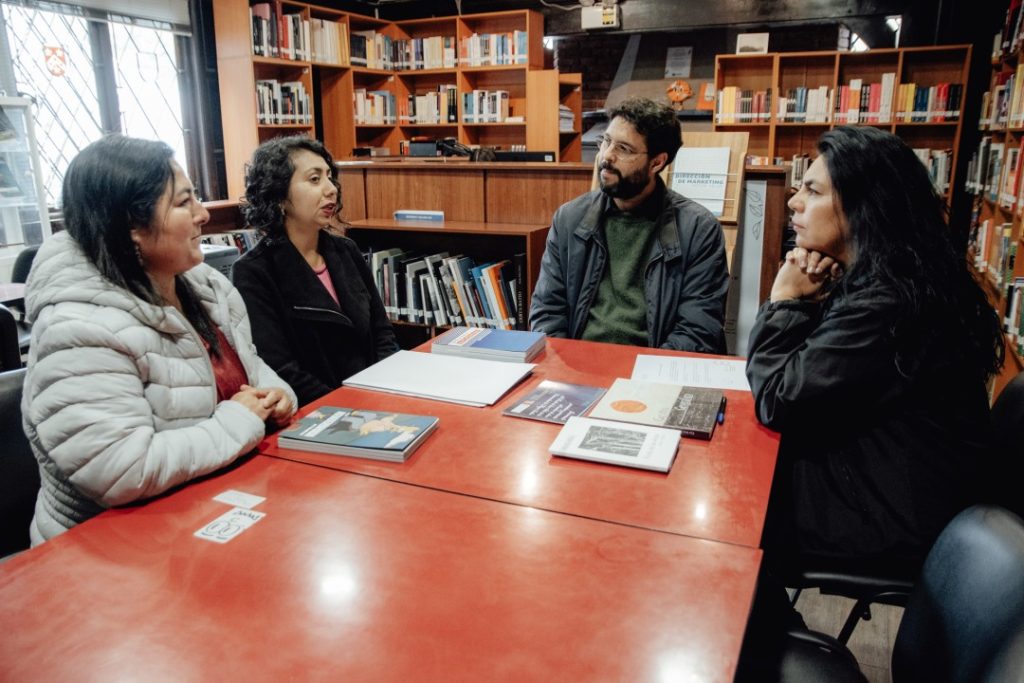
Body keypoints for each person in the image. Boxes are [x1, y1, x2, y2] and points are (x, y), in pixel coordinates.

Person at [746, 125, 1005, 583]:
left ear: (862, 207)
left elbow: (780, 399)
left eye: (812, 190)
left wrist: (785, 302)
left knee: (737, 511)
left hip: (891, 514)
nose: (794, 202)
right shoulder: (901, 275)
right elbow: (814, 380)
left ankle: (761, 643)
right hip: (895, 482)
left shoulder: (890, 301)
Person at [22, 135, 296, 544]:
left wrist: (277, 396)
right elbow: (121, 469)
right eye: (184, 203)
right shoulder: (77, 329)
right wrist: (240, 421)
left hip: (207, 514)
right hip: (106, 553)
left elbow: (253, 371)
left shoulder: (204, 288)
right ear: (131, 225)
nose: (203, 214)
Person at [529, 96, 729, 352]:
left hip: (652, 372)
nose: (606, 156)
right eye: (606, 141)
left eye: (624, 149)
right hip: (577, 366)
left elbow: (697, 331)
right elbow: (547, 312)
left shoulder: (698, 230)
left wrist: (644, 376)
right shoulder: (569, 219)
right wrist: (567, 367)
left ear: (657, 162)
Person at [233, 135, 399, 406]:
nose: (331, 189)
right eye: (314, 179)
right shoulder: (254, 272)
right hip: (320, 413)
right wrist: (345, 407)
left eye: (330, 177)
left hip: (378, 399)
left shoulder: (346, 251)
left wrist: (384, 390)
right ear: (279, 195)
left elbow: (382, 333)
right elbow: (281, 367)